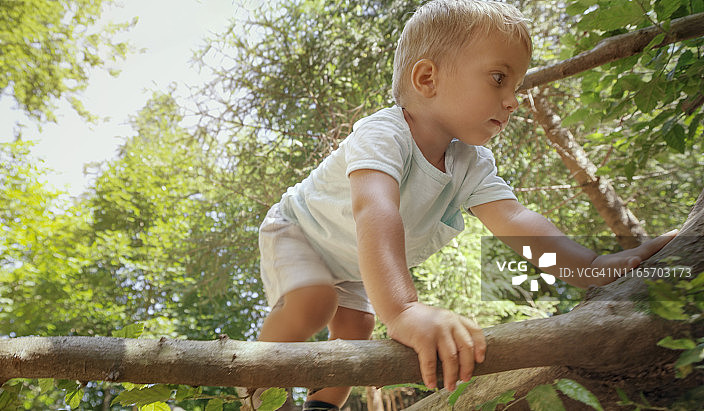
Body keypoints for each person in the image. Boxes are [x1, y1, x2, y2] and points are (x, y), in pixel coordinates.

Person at [254, 1, 675, 410]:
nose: (512, 100)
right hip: (300, 231)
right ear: (427, 79)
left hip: (352, 266)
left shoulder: (470, 163)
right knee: (314, 301)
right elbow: (374, 210)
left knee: (356, 328)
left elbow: (515, 221)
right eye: (498, 78)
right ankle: (253, 393)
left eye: (516, 86)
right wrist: (403, 310)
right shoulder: (383, 134)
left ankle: (320, 408)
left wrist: (591, 267)